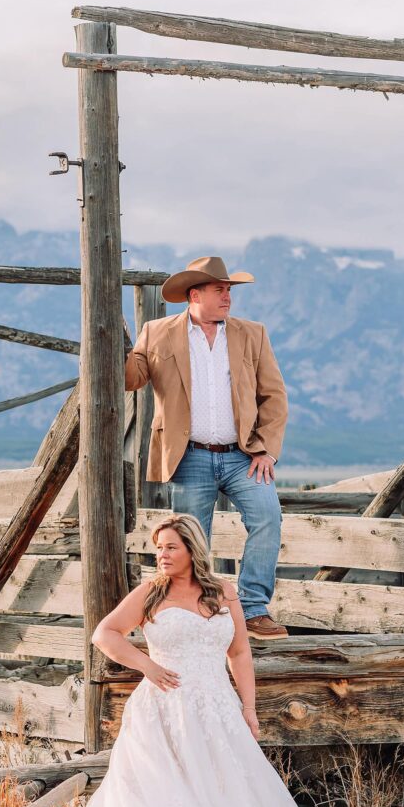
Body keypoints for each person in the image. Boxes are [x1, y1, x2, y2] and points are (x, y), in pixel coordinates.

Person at [1, 514, 343, 807]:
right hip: (163, 710)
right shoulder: (151, 592)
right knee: (169, 794)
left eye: (170, 547)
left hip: (217, 710)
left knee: (225, 789)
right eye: (158, 547)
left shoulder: (223, 592)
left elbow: (239, 652)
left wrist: (248, 708)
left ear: (192, 550)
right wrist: (146, 665)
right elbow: (105, 634)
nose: (161, 555)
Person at [126, 255, 289, 641]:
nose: (228, 297)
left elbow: (274, 395)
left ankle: (253, 609)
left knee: (268, 517)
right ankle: (198, 609)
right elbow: (131, 379)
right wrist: (113, 344)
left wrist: (266, 450)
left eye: (229, 290)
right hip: (189, 455)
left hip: (243, 455)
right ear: (194, 295)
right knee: (190, 538)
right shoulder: (157, 332)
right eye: (220, 290)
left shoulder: (252, 333)